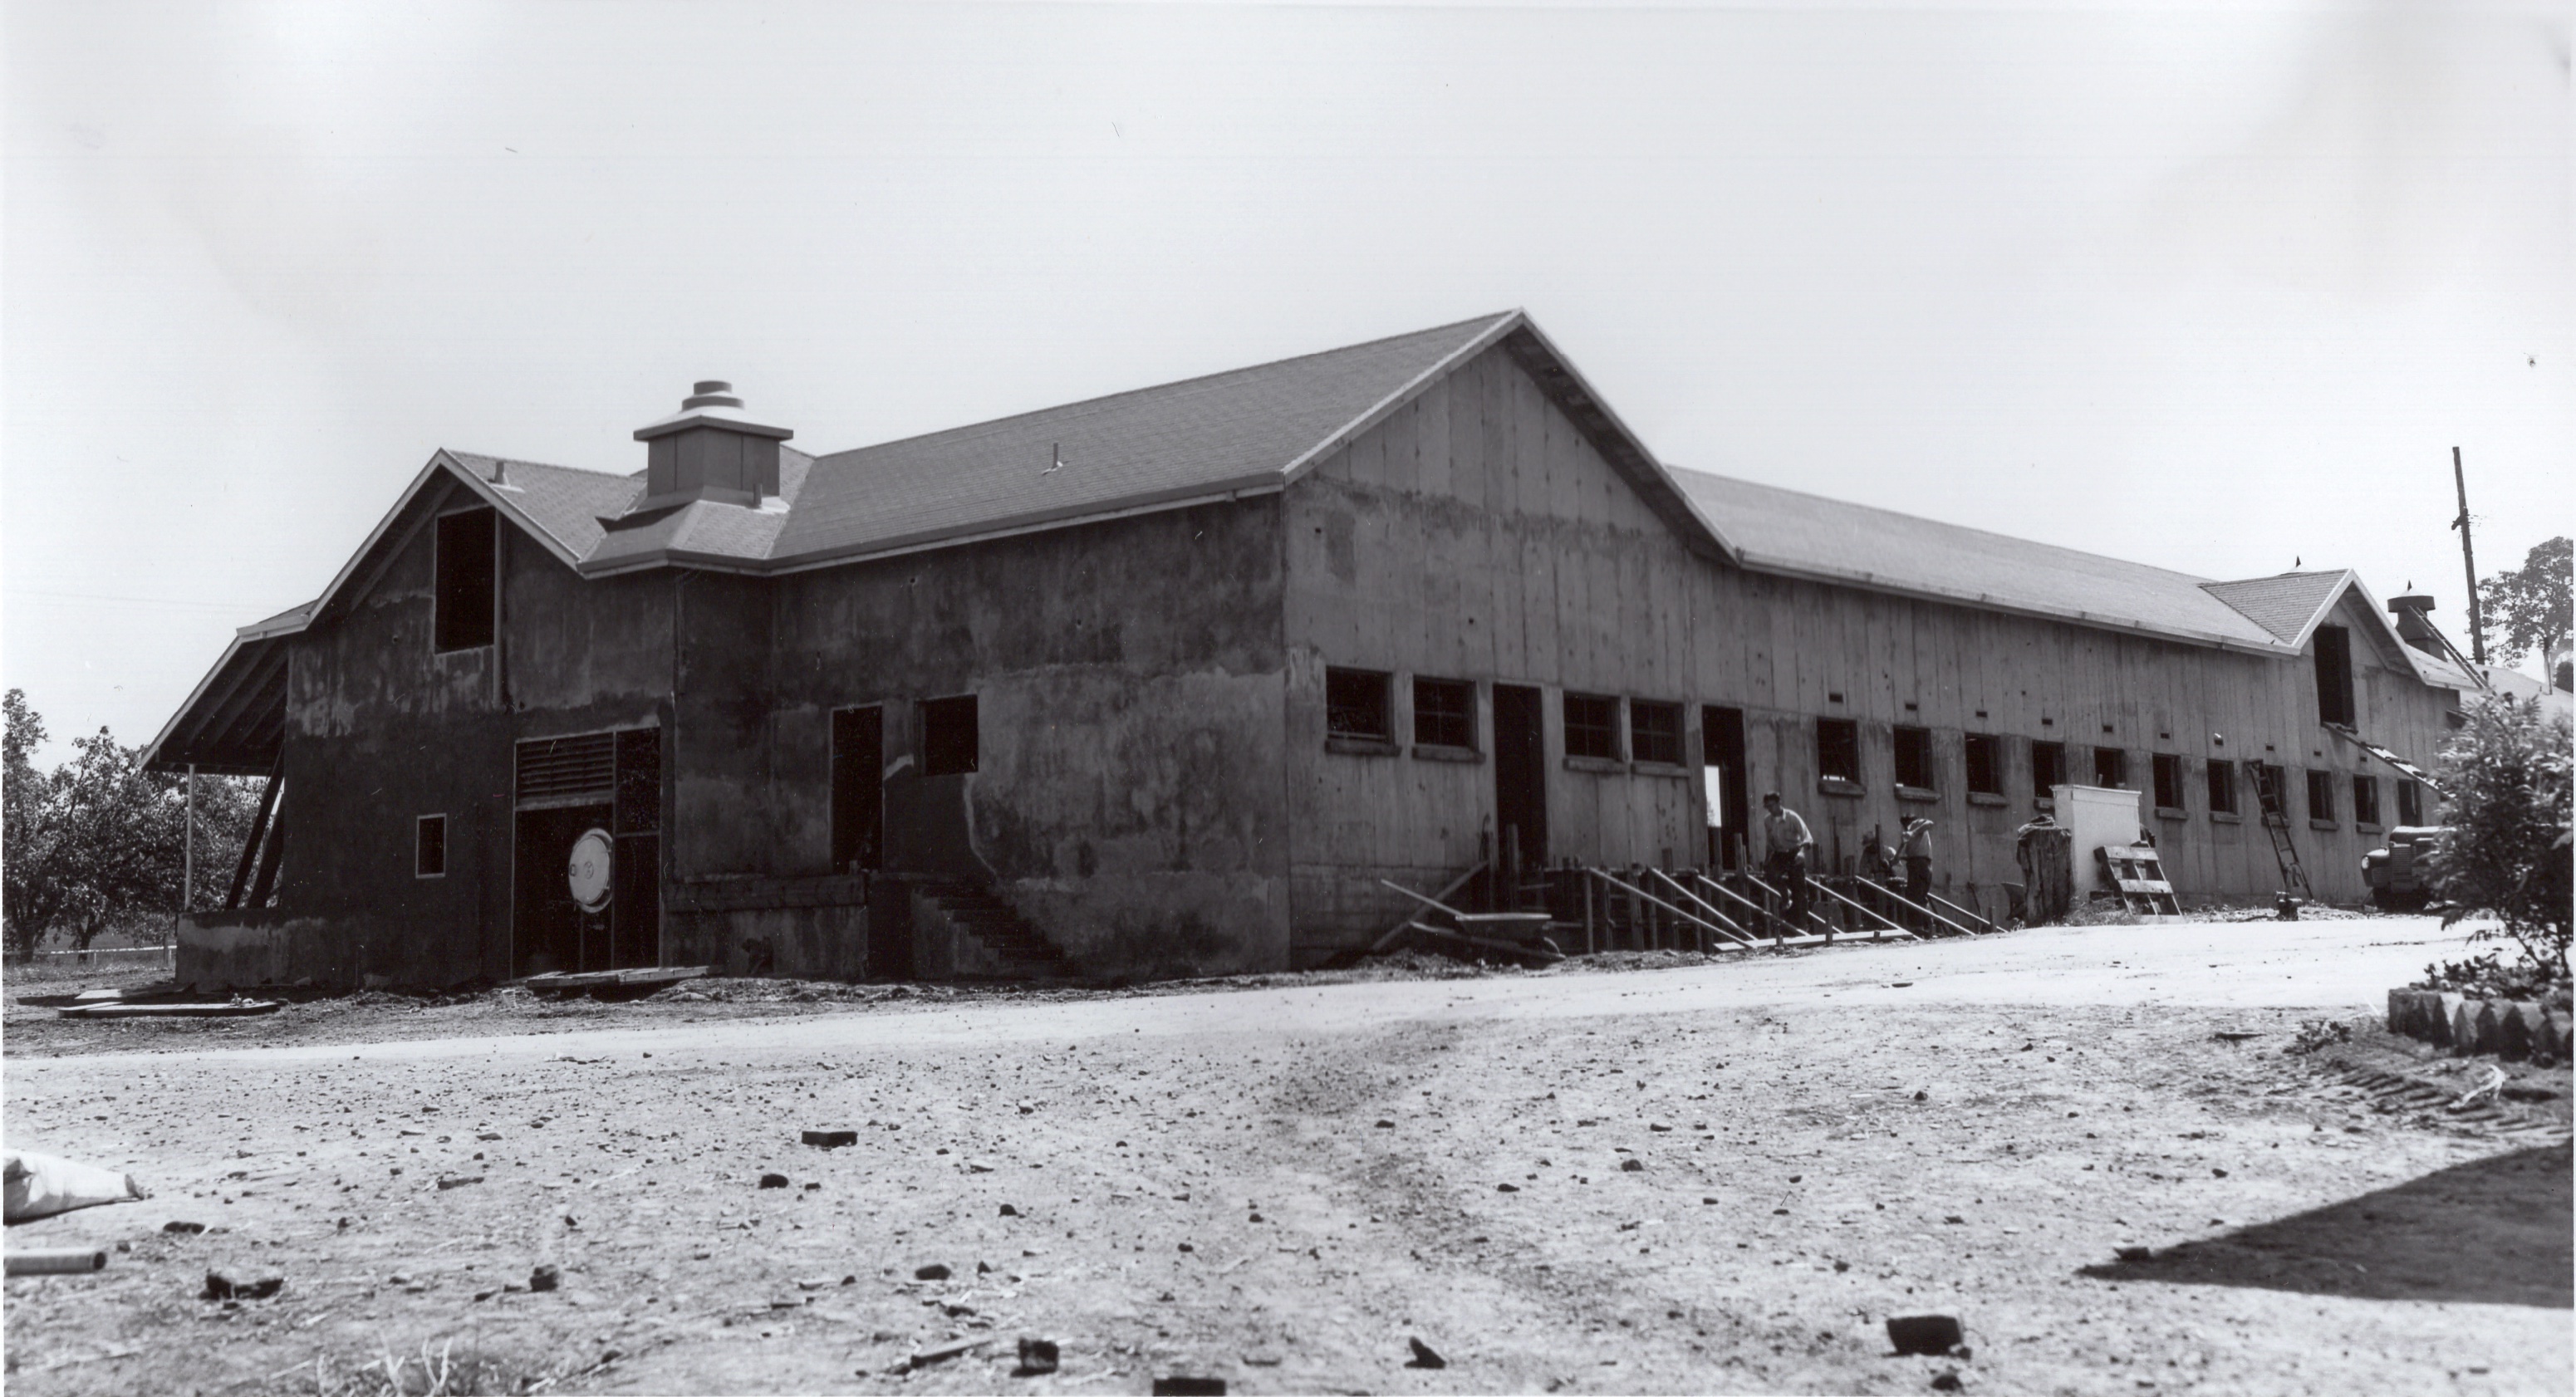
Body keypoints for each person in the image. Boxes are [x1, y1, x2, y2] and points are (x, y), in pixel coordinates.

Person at [1759, 792, 1814, 934]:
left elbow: (1808, 838)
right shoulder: (1767, 821)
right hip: (1779, 855)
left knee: (1800, 891)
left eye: (1771, 806)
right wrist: (1767, 861)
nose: (1769, 809)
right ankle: (1785, 895)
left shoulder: (1792, 817)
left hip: (1794, 854)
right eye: (1767, 807)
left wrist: (1802, 853)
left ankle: (1802, 926)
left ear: (1779, 803)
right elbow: (1769, 844)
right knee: (1770, 873)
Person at [1901, 816, 1936, 926]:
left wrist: (1913, 832)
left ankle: (1925, 926)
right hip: (1916, 864)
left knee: (1917, 897)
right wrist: (1896, 858)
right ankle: (1926, 925)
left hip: (1919, 865)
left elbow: (1930, 822)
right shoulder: (1908, 834)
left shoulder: (1916, 825)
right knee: (1918, 897)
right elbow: (1905, 849)